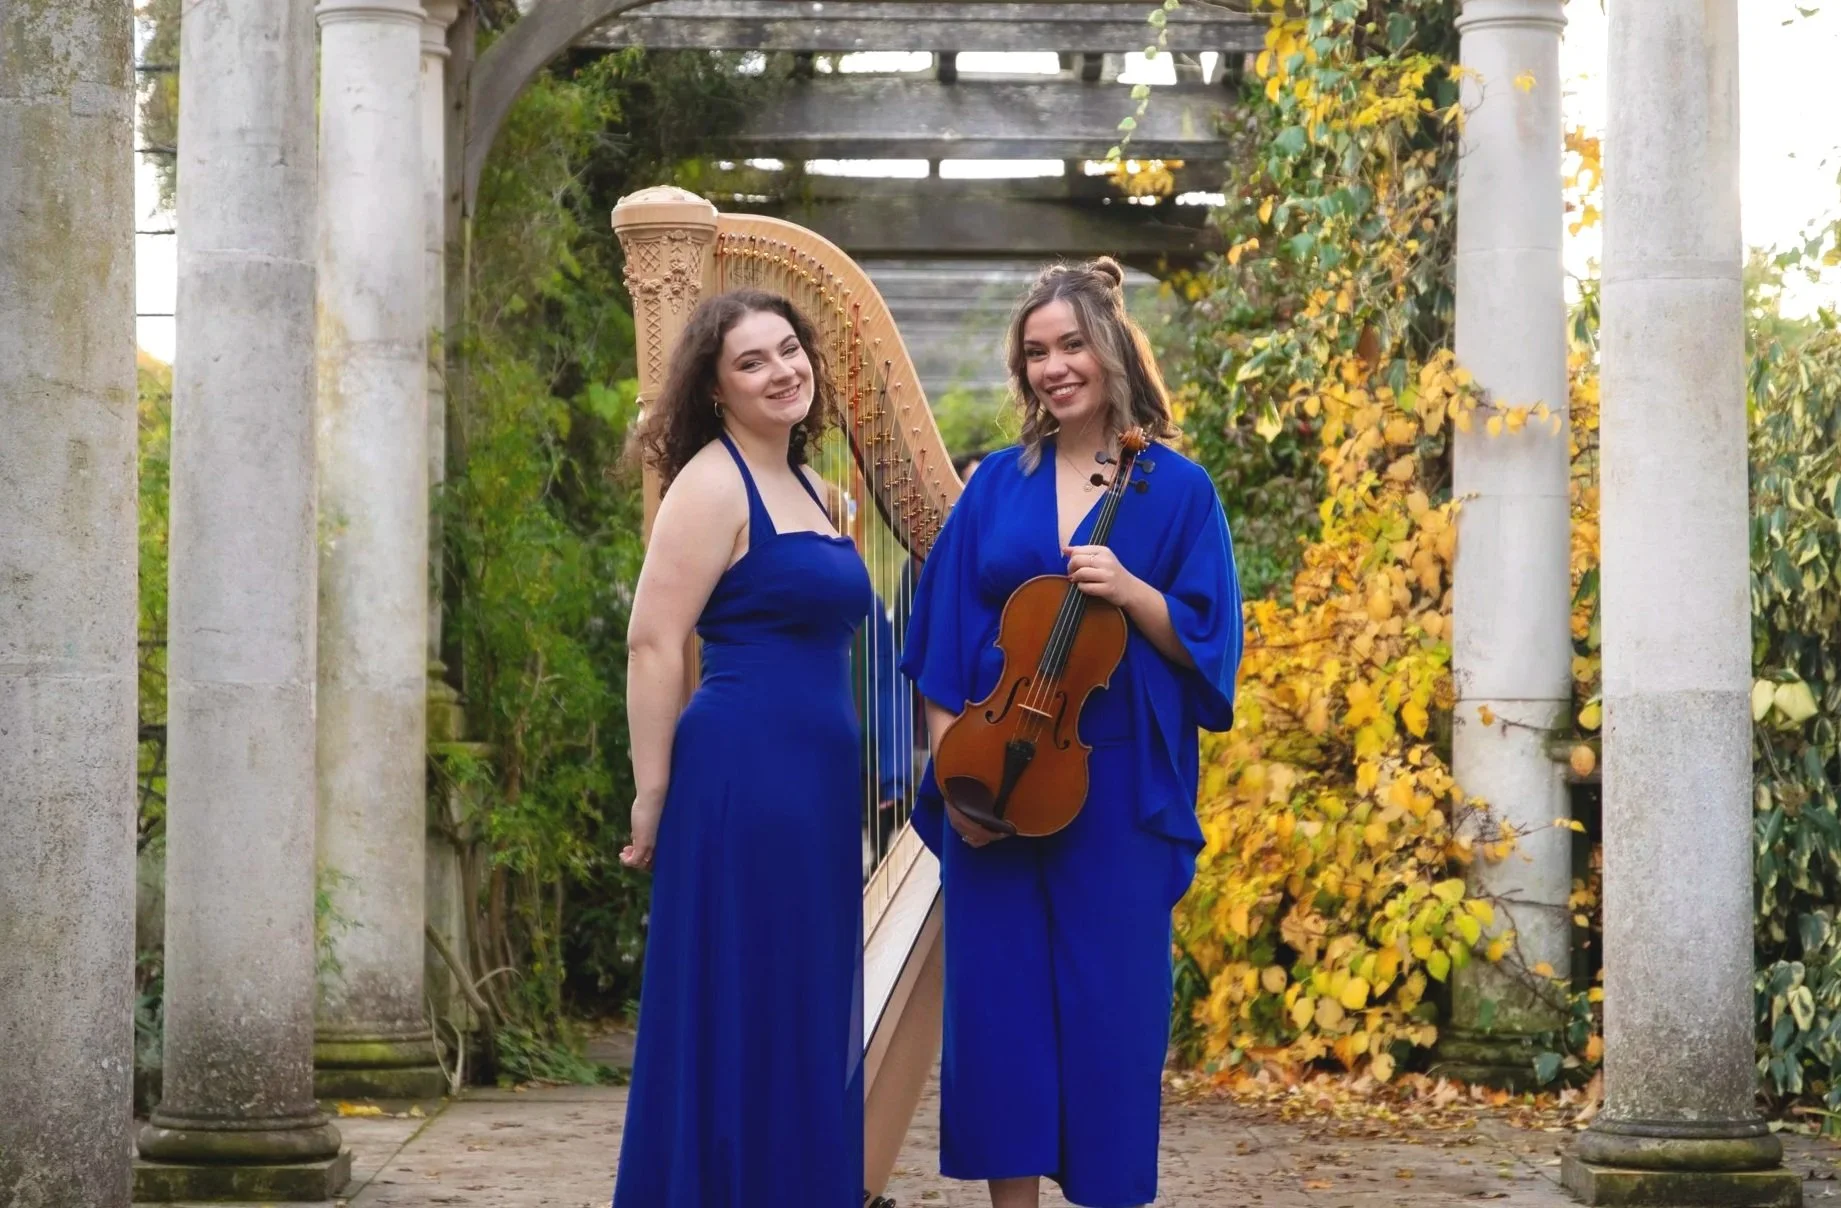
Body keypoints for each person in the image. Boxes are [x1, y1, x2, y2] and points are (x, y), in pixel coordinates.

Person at [900, 257, 1243, 1208]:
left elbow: (1209, 642)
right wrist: (958, 779)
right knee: (998, 1015)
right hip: (994, 782)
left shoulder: (1177, 490)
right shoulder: (995, 485)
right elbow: (941, 641)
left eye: (1070, 346)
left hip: (1115, 787)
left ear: (1112, 349)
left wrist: (1131, 591)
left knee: (1112, 1017)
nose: (1053, 368)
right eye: (1035, 353)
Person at [613, 288, 871, 1208]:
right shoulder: (711, 483)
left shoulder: (819, 494)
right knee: (741, 992)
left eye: (788, 349)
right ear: (716, 389)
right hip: (743, 777)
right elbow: (652, 642)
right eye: (751, 362)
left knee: (797, 993)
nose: (780, 371)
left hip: (817, 785)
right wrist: (652, 793)